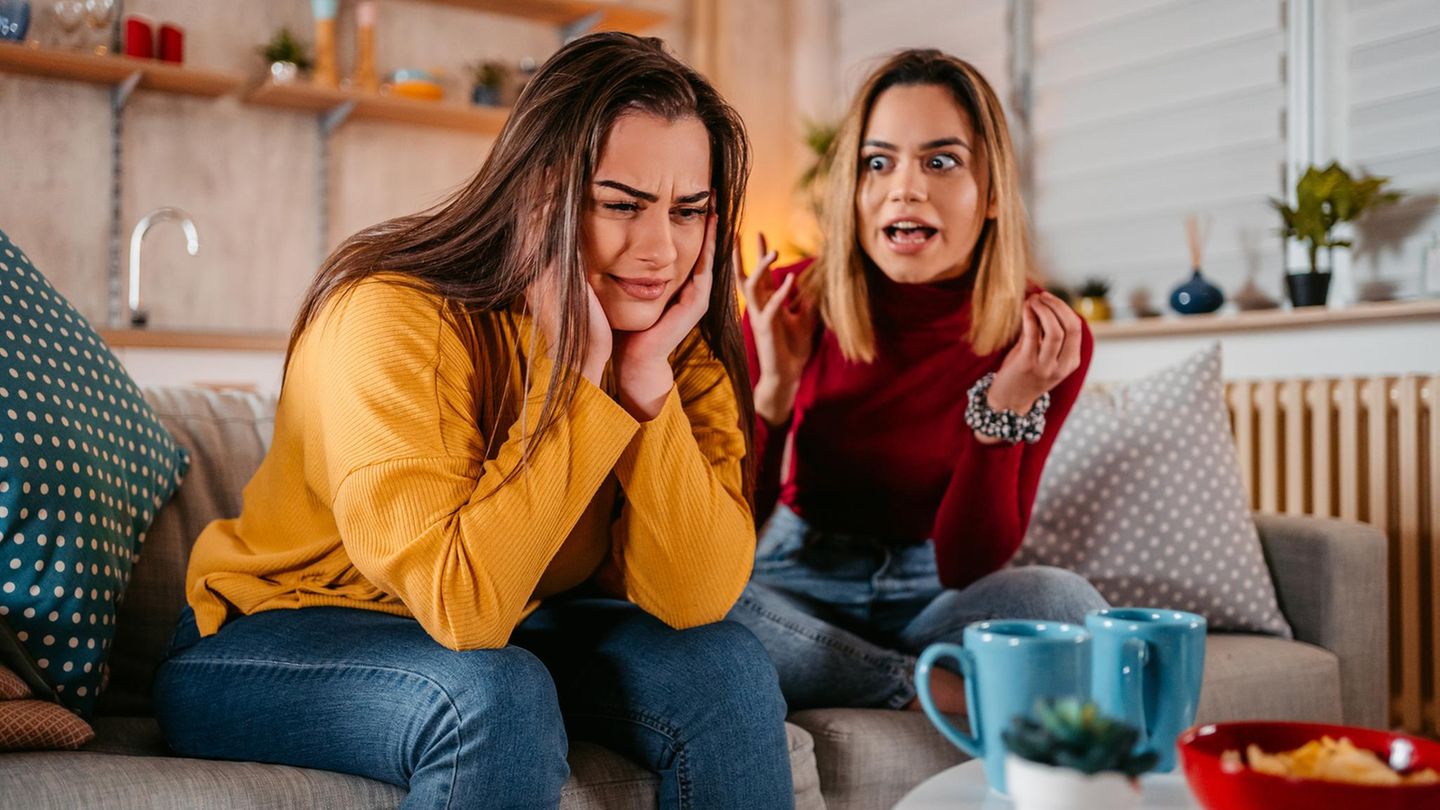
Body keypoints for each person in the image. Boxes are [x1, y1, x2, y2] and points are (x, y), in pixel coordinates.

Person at [153, 33, 793, 810]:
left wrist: (643, 387)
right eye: (622, 205)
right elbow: (463, 606)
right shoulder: (391, 317)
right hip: (276, 638)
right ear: (540, 195)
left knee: (725, 665)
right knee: (493, 693)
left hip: (510, 625)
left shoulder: (668, 346)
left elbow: (693, 598)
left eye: (688, 212)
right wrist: (577, 378)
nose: (660, 249)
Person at [729, 49, 1107, 714]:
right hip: (794, 581)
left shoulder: (1042, 338)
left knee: (1067, 605)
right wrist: (773, 399)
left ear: (993, 193)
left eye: (941, 161)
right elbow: (732, 532)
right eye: (879, 163)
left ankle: (858, 672)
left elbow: (969, 566)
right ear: (854, 189)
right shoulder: (790, 300)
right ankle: (922, 687)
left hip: (932, 594)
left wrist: (1004, 409)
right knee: (699, 609)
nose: (905, 188)